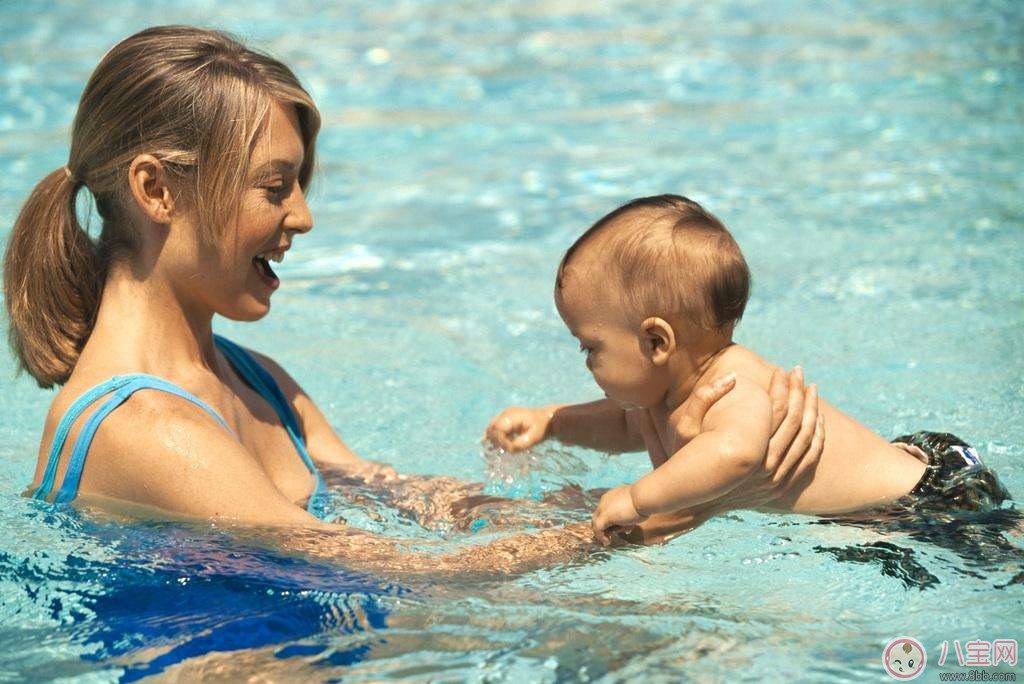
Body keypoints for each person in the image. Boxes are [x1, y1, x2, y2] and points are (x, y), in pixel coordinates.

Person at [4, 27, 821, 575]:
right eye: (275, 187)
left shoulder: (257, 381)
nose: (303, 217)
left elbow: (417, 503)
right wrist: (638, 520)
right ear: (155, 190)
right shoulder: (145, 427)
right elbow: (382, 568)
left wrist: (688, 452)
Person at [487, 195, 1010, 544]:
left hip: (929, 499)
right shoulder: (663, 393)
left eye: (589, 348)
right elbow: (620, 424)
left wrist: (638, 497)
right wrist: (552, 421)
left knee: (1005, 554)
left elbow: (735, 452)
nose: (587, 362)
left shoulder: (730, 385)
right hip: (895, 490)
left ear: (655, 340)